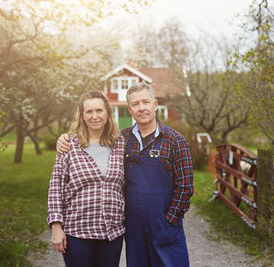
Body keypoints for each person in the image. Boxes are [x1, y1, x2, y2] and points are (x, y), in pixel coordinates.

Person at [57, 82, 194, 267]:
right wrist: (64, 138)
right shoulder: (123, 140)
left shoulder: (175, 140)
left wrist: (169, 220)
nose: (141, 108)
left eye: (145, 102)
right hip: (134, 228)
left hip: (164, 227)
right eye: (135, 104)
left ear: (155, 104)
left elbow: (185, 187)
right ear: (129, 109)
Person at [47, 90, 126, 267]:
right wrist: (56, 226)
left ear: (107, 113)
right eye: (89, 112)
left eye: (99, 110)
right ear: (82, 116)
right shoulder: (69, 145)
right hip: (78, 233)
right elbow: (55, 187)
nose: (94, 116)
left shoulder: (121, 144)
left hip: (112, 233)